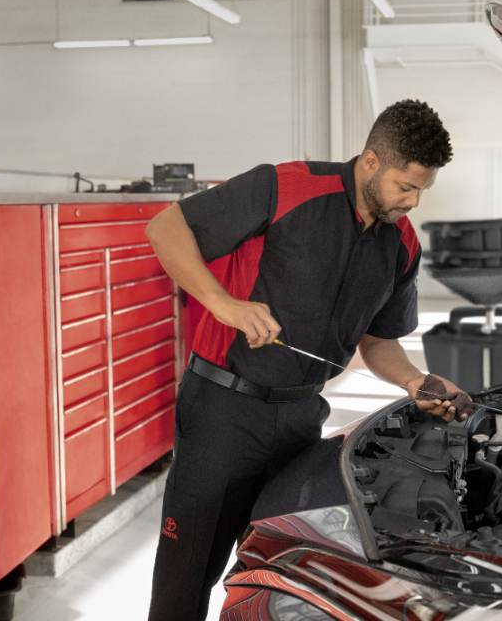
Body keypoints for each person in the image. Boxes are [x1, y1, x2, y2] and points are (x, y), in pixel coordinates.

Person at [144, 99, 471, 620]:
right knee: (186, 576)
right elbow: (165, 228)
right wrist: (222, 303)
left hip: (302, 419)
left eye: (421, 190)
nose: (412, 201)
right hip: (224, 411)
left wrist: (416, 382)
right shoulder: (285, 188)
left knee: (278, 571)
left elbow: (378, 343)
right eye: (404, 186)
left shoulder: (402, 245)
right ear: (370, 161)